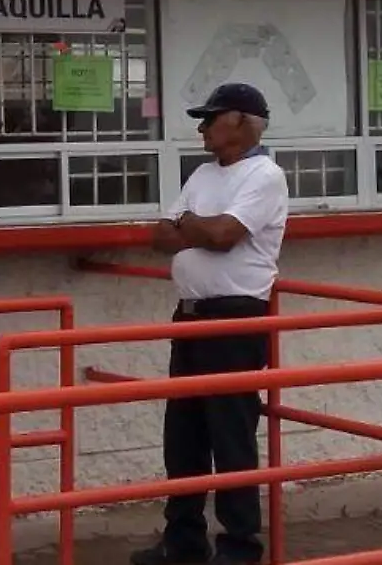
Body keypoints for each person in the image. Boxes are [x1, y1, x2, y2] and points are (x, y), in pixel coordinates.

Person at [131, 83, 289, 565]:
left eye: (210, 118)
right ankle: (184, 540)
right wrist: (197, 226)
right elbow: (161, 235)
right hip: (191, 316)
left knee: (230, 433)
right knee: (184, 435)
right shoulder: (201, 173)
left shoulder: (265, 175)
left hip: (235, 318)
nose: (201, 127)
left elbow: (223, 235)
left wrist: (192, 226)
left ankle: (240, 547)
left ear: (241, 121)